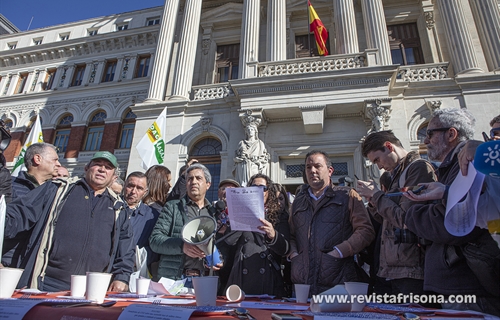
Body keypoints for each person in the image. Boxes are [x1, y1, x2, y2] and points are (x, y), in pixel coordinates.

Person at [404, 108, 500, 316]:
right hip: (455, 285)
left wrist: (410, 215)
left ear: (451, 134)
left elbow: (456, 223)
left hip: (468, 288)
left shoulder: (469, 163)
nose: (425, 141)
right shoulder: (447, 168)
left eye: (429, 134)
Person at [4, 151, 134, 292]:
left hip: (93, 289)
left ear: (114, 177)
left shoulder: (119, 207)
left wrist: (122, 276)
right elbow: (18, 216)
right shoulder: (57, 189)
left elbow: (125, 248)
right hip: (47, 283)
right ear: (86, 168)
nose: (102, 169)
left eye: (108, 167)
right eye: (97, 164)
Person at [356, 130, 436, 296]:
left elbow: (406, 219)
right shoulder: (396, 174)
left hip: (412, 268)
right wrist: (372, 200)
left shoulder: (418, 168)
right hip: (396, 266)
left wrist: (376, 196)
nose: (378, 166)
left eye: (377, 159)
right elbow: (387, 219)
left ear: (389, 146)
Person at [289, 150, 375, 295]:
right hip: (303, 284)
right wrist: (293, 254)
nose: (312, 171)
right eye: (308, 167)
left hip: (337, 282)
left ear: (330, 171)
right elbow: (291, 235)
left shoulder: (347, 195)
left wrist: (339, 252)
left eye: (317, 166)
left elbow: (365, 230)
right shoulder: (298, 201)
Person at [218, 174, 290, 297]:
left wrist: (273, 235)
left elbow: (285, 249)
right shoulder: (238, 213)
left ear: (268, 192)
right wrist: (234, 221)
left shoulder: (279, 216)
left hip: (267, 278)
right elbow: (228, 244)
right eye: (254, 187)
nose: (258, 190)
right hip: (241, 277)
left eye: (262, 188)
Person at [149, 163, 220, 281]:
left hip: (205, 281)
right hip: (175, 279)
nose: (193, 181)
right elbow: (155, 240)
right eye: (189, 179)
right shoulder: (173, 207)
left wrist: (220, 258)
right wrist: (182, 246)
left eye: (198, 178)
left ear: (208, 185)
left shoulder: (214, 213)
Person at [3, 143, 60, 268]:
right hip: (8, 264)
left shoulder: (56, 193)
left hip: (36, 266)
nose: (59, 164)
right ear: (38, 159)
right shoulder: (9, 186)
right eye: (55, 160)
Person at [143, 165, 172, 279]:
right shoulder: (151, 210)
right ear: (159, 182)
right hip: (148, 266)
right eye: (168, 181)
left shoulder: (159, 206)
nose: (170, 185)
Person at [233, 118, 270, 187]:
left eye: (252, 129)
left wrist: (256, 159)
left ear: (255, 131)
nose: (250, 131)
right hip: (243, 166)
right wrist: (241, 157)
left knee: (254, 183)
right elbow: (237, 156)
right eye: (248, 130)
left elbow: (263, 158)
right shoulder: (242, 143)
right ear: (246, 132)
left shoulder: (259, 143)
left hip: (254, 166)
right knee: (243, 185)